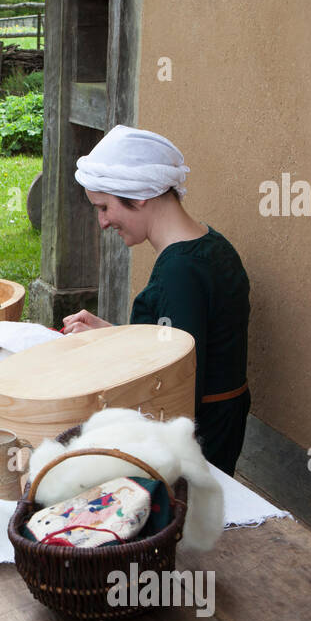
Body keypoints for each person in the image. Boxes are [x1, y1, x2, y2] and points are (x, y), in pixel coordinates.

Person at [63, 124, 251, 474]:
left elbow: (176, 386)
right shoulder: (211, 245)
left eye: (104, 207)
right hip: (218, 426)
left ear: (139, 194)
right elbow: (174, 343)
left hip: (196, 445)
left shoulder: (181, 270)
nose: (102, 222)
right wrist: (112, 334)